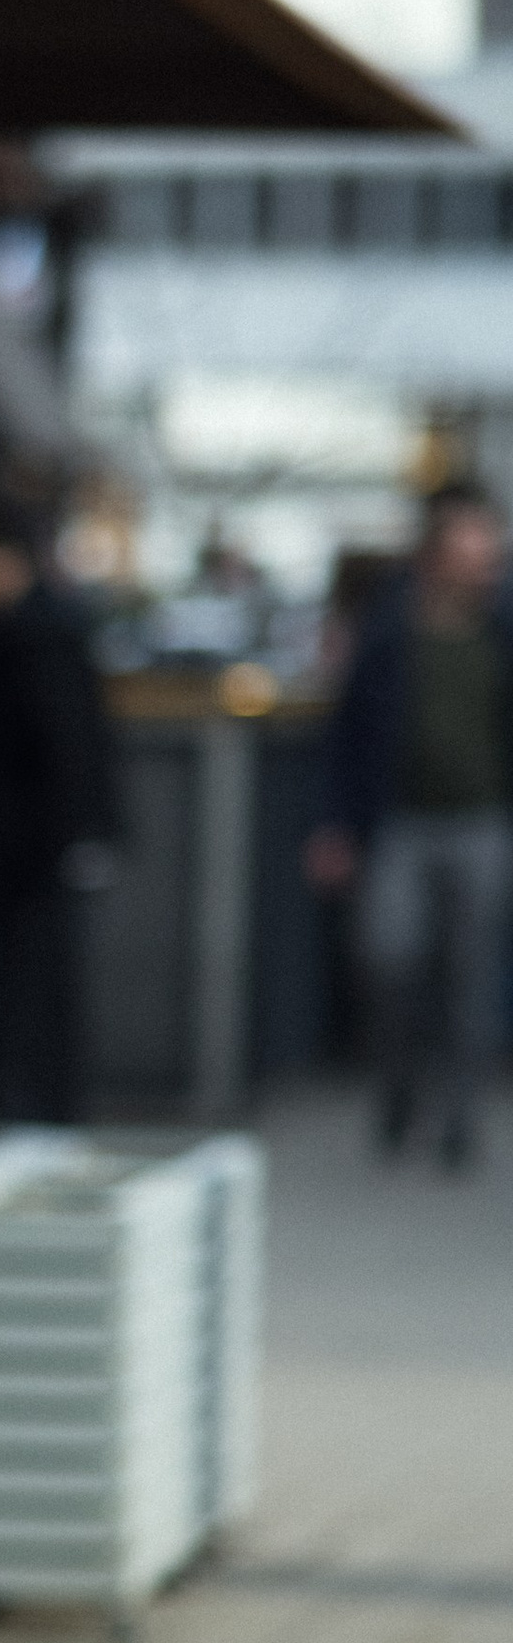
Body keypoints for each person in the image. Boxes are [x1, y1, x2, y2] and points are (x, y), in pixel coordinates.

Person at [306, 480, 513, 1167]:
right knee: (391, 960)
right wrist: (335, 823)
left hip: (480, 821)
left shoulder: (501, 623)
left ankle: (457, 1119)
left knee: (467, 974)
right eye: (471, 541)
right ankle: (398, 1090)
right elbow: (349, 727)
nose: (485, 555)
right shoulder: (392, 621)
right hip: (399, 821)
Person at [0, 490, 122, 1127]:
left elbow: (65, 748)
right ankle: (30, 1110)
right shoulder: (33, 624)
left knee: (34, 985)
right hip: (35, 846)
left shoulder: (31, 631)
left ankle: (28, 1113)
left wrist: (71, 836)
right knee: (32, 982)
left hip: (32, 848)